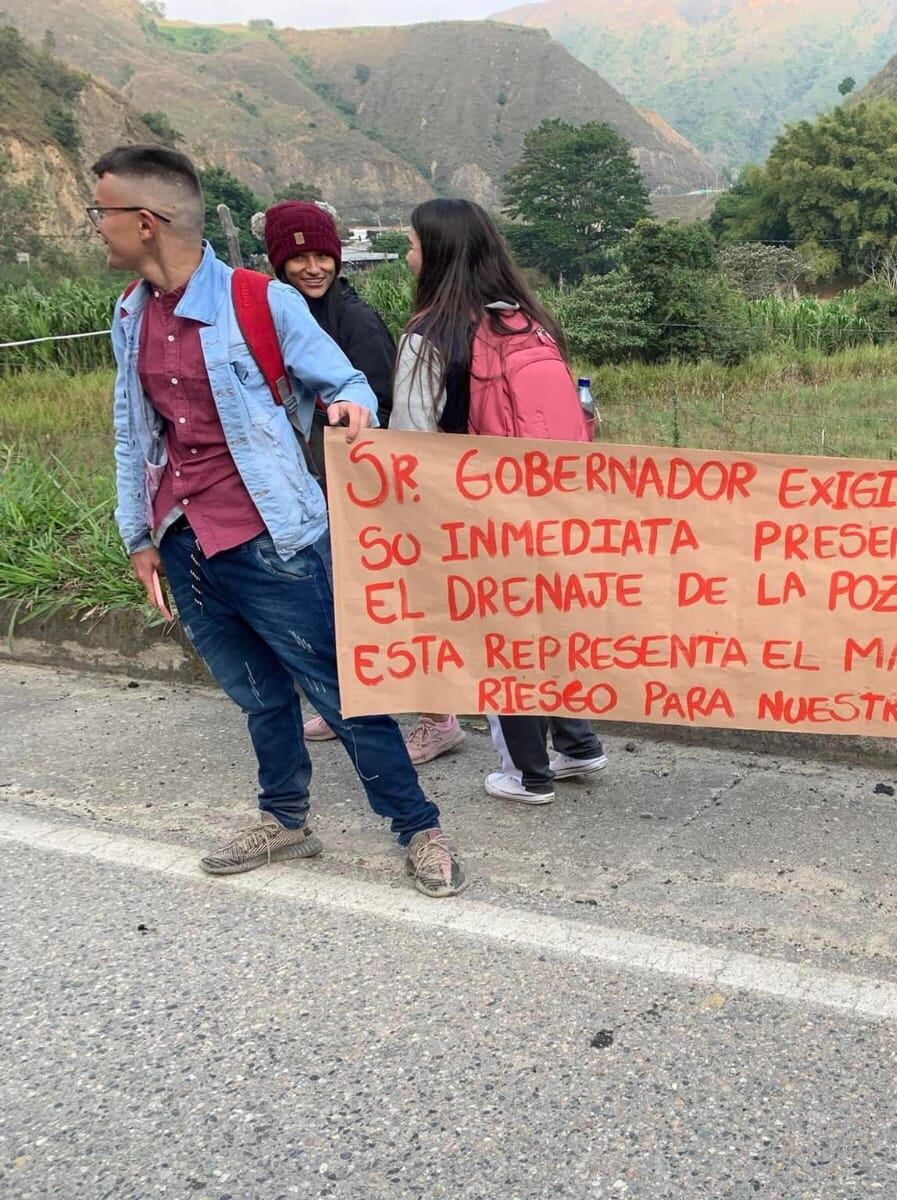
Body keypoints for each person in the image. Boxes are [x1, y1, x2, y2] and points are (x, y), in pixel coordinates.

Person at [95, 144, 467, 897]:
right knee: (258, 695)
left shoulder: (260, 301)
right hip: (184, 539)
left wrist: (351, 407)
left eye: (101, 213)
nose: (96, 227)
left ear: (145, 221)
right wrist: (138, 535)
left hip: (273, 540)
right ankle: (285, 818)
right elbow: (132, 432)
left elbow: (348, 379)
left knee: (341, 694)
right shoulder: (130, 314)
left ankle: (419, 828)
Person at [388, 196, 608, 801]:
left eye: (411, 244)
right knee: (550, 625)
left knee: (501, 637)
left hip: (478, 518)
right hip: (552, 504)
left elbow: (411, 443)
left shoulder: (429, 336)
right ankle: (578, 744)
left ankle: (525, 773)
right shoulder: (530, 321)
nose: (407, 256)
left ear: (437, 254)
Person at [253, 200, 401, 745]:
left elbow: (384, 405)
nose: (313, 268)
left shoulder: (355, 321)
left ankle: (437, 718)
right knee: (338, 592)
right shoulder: (281, 317)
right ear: (278, 262)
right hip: (314, 478)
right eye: (299, 258)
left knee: (381, 592)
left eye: (323, 257)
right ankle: (353, 705)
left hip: (362, 480)